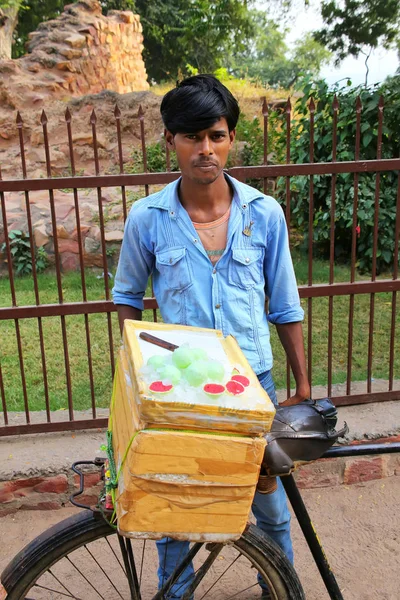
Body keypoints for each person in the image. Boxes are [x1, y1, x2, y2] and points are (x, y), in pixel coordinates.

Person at [112, 74, 310, 599]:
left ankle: (279, 589)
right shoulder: (147, 219)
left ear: (230, 138)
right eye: (192, 137)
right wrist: (138, 376)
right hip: (182, 392)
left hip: (255, 387)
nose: (206, 150)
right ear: (170, 140)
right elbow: (128, 298)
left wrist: (304, 387)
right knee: (177, 511)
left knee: (270, 509)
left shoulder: (263, 214)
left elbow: (285, 304)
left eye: (217, 136)